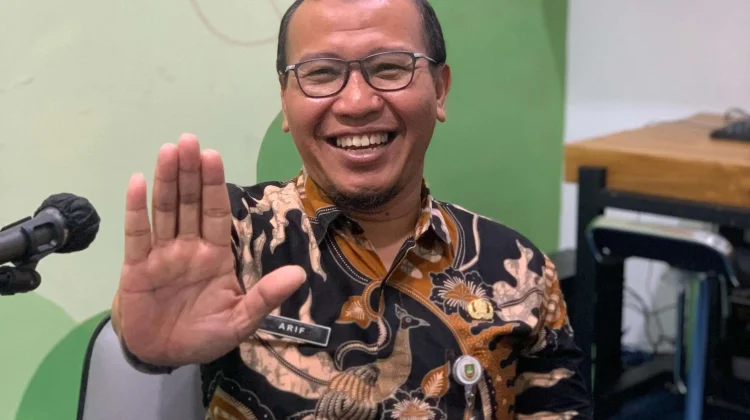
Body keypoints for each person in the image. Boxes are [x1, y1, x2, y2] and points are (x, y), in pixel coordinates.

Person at [111, 0, 593, 418]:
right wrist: (144, 349)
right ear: (285, 100)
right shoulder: (231, 237)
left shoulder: (519, 271)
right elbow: (160, 324)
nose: (357, 102)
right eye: (321, 73)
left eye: (390, 68)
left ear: (440, 89)